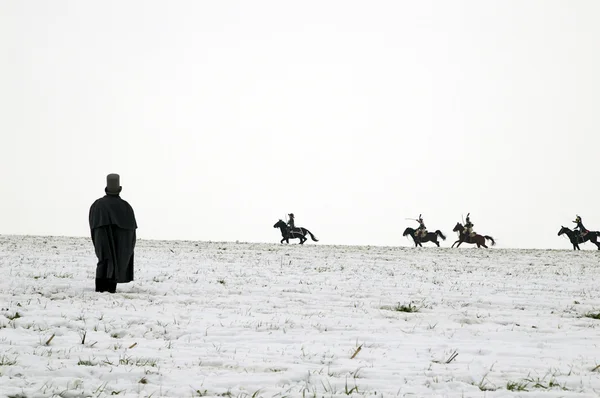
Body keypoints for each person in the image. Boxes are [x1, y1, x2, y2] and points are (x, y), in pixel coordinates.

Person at [89, 174, 137, 293]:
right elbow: (131, 232)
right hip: (117, 240)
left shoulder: (98, 204)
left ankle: (100, 288)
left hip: (101, 237)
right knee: (115, 260)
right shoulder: (126, 207)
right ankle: (110, 288)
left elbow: (93, 225)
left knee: (104, 260)